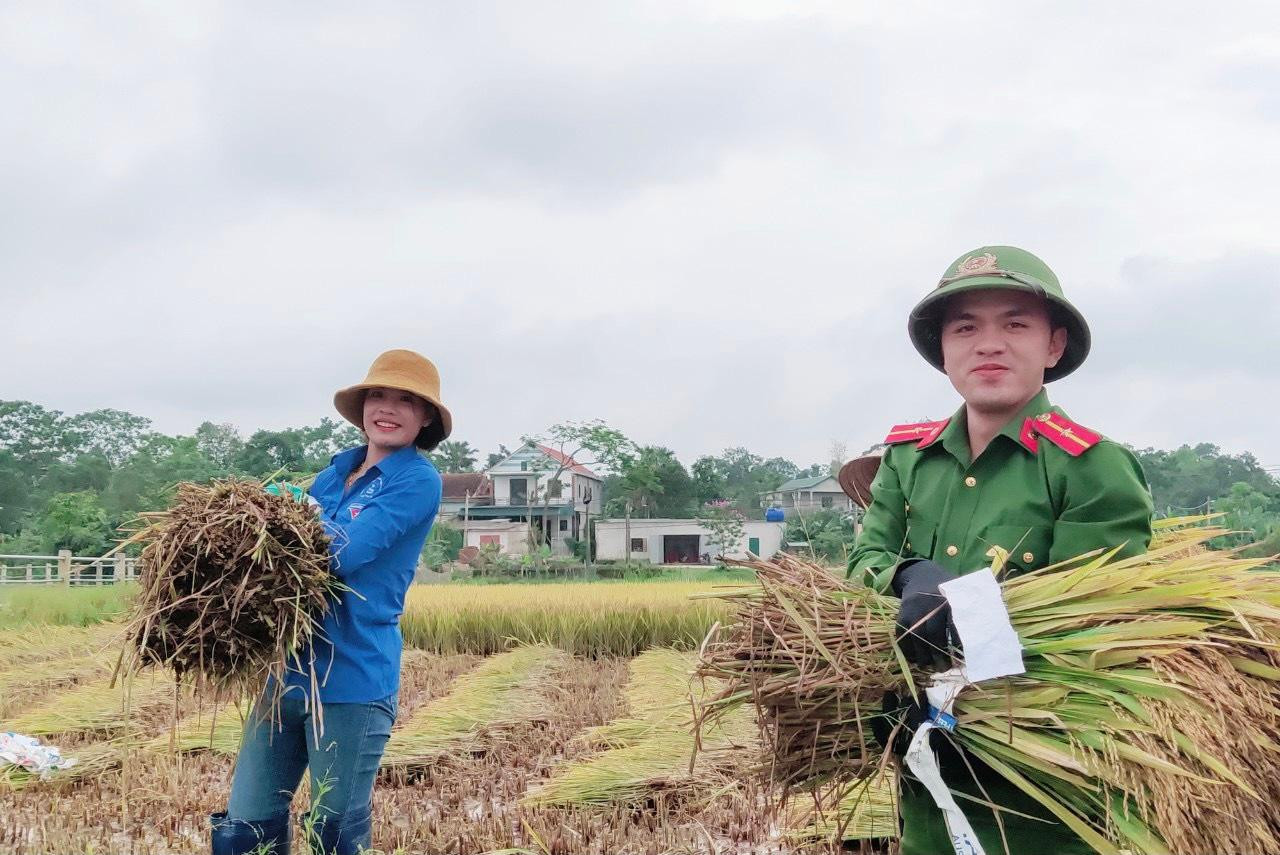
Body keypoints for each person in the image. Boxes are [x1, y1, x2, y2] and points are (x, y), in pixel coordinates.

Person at [847, 246, 1154, 854]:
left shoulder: (1091, 467)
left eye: (1015, 323)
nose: (989, 344)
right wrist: (910, 576)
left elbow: (1091, 635)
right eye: (965, 327)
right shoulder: (906, 461)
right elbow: (860, 569)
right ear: (943, 350)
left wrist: (957, 661)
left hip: (1043, 797)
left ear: (1054, 346)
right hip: (927, 789)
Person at [211, 349, 450, 855]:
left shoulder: (416, 480)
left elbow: (343, 553)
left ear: (426, 416)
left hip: (352, 679)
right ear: (362, 406)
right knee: (245, 826)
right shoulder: (331, 474)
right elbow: (281, 560)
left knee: (332, 833)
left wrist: (296, 510)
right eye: (378, 395)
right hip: (286, 672)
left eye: (406, 400)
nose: (387, 407)